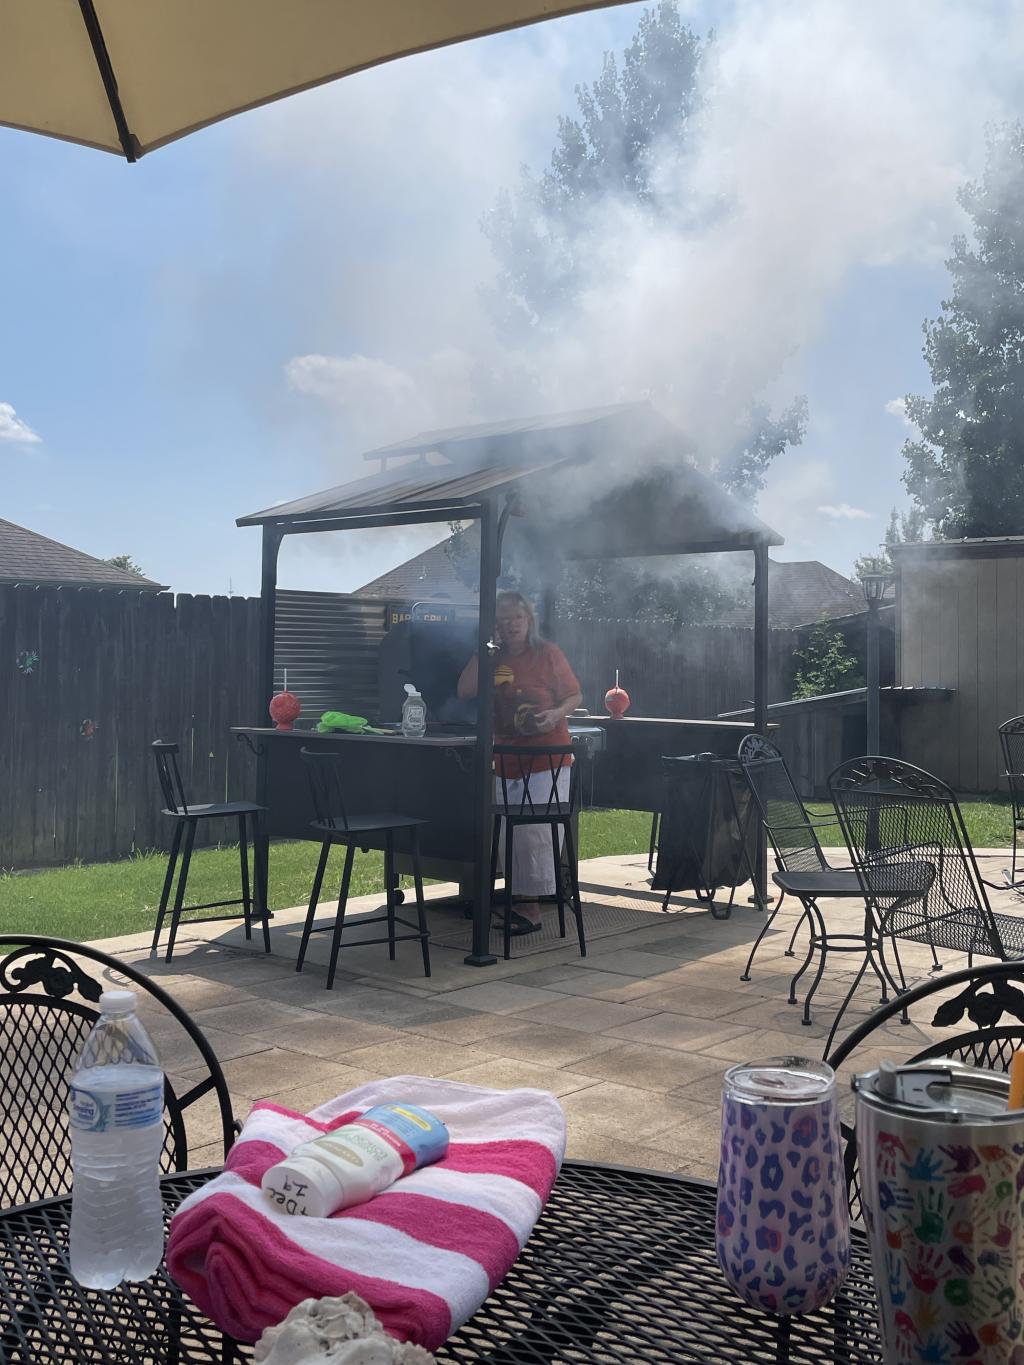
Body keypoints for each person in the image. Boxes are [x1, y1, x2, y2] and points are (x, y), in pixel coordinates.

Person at [458, 591, 582, 934]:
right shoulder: (492, 655)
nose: (511, 624)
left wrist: (555, 714)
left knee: (534, 834)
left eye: (517, 617)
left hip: (546, 758)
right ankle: (518, 902)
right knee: (508, 835)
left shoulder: (548, 653)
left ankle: (530, 909)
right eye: (503, 619)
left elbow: (574, 695)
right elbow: (465, 690)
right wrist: (484, 649)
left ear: (529, 620)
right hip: (506, 756)